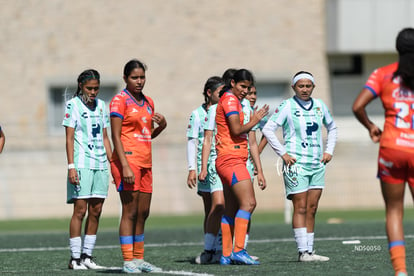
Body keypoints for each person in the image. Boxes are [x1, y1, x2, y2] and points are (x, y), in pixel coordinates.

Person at [352, 28, 414, 276]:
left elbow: (357, 106)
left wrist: (370, 127)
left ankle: (400, 271)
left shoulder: (383, 74)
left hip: (391, 148)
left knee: (394, 210)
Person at [262, 71, 337, 262]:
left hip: (317, 165)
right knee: (300, 206)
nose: (304, 89)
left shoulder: (320, 106)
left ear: (313, 87)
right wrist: (283, 154)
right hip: (296, 165)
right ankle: (302, 251)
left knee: (312, 208)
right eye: (301, 86)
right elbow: (268, 129)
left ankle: (310, 251)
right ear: (294, 87)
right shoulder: (287, 106)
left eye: (308, 86)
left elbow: (332, 127)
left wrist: (329, 150)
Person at [110, 59, 167, 273]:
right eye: (135, 77)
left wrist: (162, 126)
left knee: (143, 212)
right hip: (128, 161)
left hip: (146, 162)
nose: (139, 81)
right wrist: (124, 165)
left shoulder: (149, 102)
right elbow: (116, 135)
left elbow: (146, 135)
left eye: (142, 77)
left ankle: (139, 258)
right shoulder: (119, 100)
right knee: (130, 211)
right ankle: (128, 260)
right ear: (125, 78)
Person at [215, 68, 268, 265]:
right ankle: (239, 250)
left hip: (227, 159)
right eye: (242, 86)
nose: (245, 91)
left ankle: (226, 255)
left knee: (230, 208)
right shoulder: (230, 100)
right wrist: (255, 120)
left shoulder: (235, 101)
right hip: (231, 160)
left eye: (248, 87)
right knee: (249, 203)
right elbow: (237, 129)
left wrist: (259, 169)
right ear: (233, 84)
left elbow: (250, 139)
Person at [63, 69, 112, 270]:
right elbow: (68, 138)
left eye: (96, 88)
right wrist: (71, 167)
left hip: (100, 164)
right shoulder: (72, 105)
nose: (93, 92)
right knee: (80, 210)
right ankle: (74, 259)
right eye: (89, 88)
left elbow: (106, 137)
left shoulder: (102, 106)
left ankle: (87, 256)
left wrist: (114, 163)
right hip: (81, 164)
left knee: (97, 210)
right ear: (81, 86)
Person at [187, 76, 225, 264]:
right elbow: (192, 142)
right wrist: (192, 168)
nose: (224, 96)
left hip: (223, 164)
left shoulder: (225, 111)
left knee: (221, 206)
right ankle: (210, 249)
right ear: (209, 93)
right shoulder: (197, 114)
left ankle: (219, 249)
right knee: (211, 208)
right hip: (206, 167)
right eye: (220, 92)